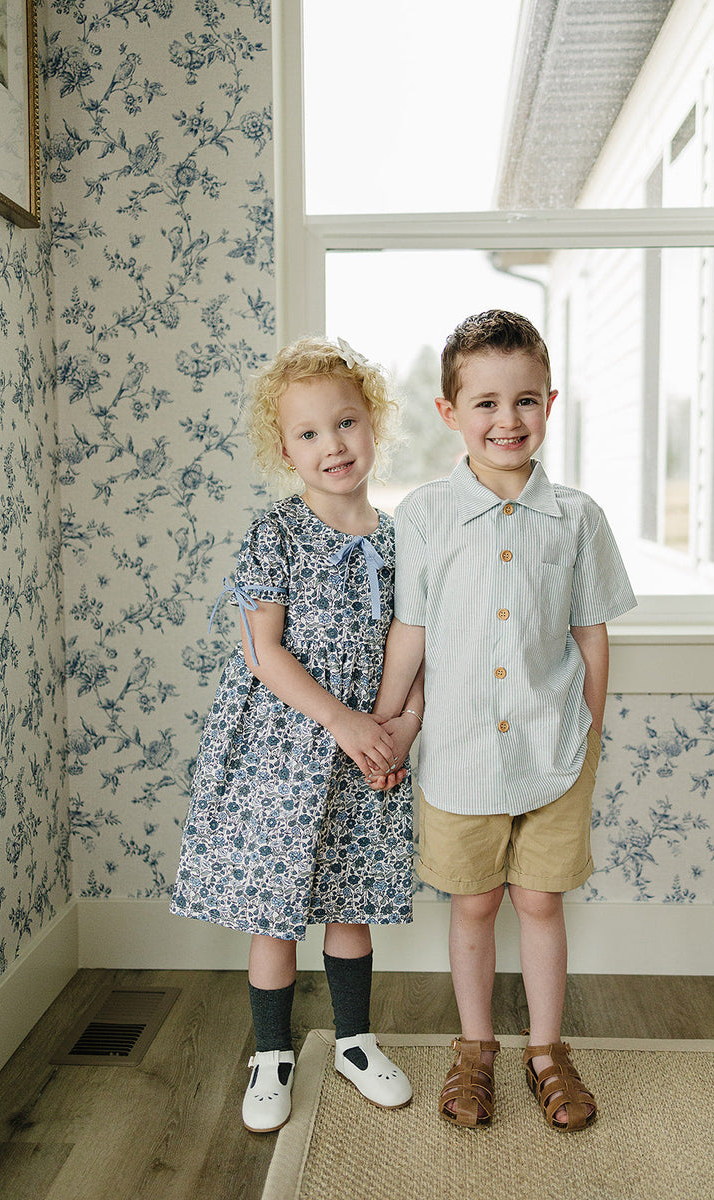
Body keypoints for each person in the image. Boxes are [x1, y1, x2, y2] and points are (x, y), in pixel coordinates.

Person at [372, 310, 636, 1131]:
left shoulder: (578, 518)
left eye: (524, 401)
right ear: (451, 412)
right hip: (457, 757)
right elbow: (410, 629)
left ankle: (548, 1053)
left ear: (549, 404)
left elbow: (590, 633)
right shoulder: (423, 516)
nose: (506, 421)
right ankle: (475, 1049)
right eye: (485, 403)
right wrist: (384, 724)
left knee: (540, 904)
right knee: (475, 907)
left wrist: (588, 729)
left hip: (554, 747)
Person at [171, 336, 423, 1133]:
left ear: (373, 425)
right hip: (282, 751)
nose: (332, 445)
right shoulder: (275, 532)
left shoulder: (397, 538)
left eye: (346, 423)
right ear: (284, 449)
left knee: (350, 906)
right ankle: (272, 1054)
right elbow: (262, 648)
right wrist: (341, 719)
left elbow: (414, 646)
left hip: (367, 751)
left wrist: (398, 728)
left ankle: (353, 1040)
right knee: (276, 913)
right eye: (309, 434)